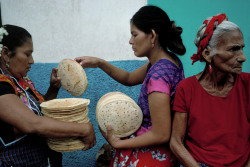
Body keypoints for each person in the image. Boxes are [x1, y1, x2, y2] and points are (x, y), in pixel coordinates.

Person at [75, 5, 186, 167]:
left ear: (153, 35)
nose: (130, 41)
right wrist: (99, 63)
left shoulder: (159, 75)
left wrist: (119, 144)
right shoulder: (166, 62)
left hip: (151, 156)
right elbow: (128, 78)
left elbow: (161, 133)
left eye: (134, 34)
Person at [0, 24, 96, 166]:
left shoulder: (21, 82)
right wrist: (83, 129)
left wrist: (53, 89)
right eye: (27, 54)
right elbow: (31, 124)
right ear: (6, 54)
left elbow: (38, 113)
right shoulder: (2, 86)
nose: (32, 61)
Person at [170, 13, 250, 167]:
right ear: (207, 54)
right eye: (234, 49)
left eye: (241, 48)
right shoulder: (187, 88)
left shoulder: (247, 84)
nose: (242, 57)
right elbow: (176, 142)